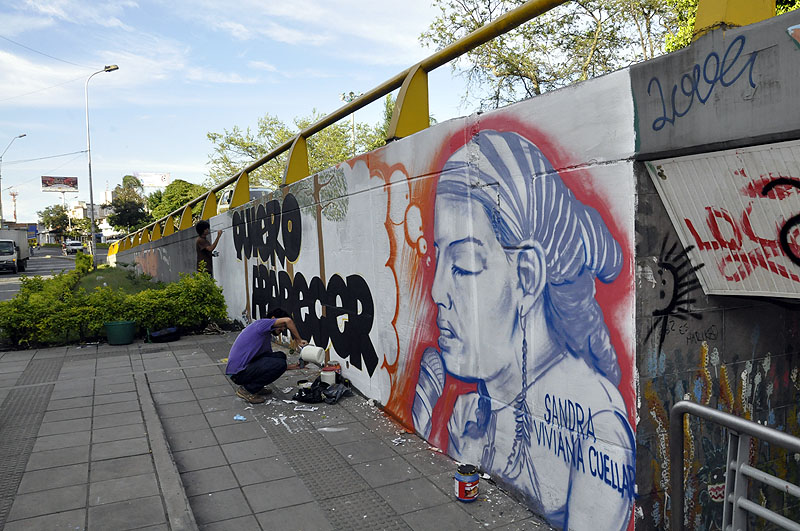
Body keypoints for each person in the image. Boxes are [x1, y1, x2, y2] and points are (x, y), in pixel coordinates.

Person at [412, 130, 635, 530]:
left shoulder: (598, 428)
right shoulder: (475, 410)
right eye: (438, 259)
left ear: (527, 276)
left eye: (463, 264)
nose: (437, 291)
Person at [226, 308, 308, 404]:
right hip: (238, 373)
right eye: (282, 326)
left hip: (244, 369)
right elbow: (288, 320)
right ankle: (247, 390)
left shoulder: (265, 335)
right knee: (279, 363)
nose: (283, 329)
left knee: (280, 357)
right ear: (273, 318)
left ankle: (256, 387)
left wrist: (294, 366)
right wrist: (298, 340)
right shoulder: (262, 323)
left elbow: (269, 365)